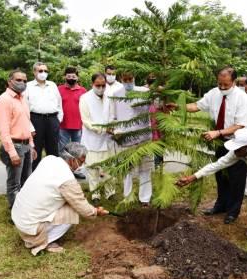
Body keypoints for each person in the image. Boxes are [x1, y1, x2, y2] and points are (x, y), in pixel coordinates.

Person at [173, 66, 247, 224]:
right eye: (219, 84)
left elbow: (240, 124)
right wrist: (177, 107)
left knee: (236, 178)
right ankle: (220, 205)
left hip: (238, 143)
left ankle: (232, 211)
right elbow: (196, 106)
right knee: (221, 175)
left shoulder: (242, 98)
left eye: (226, 85)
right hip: (219, 141)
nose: (222, 88)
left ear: (234, 82)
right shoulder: (214, 93)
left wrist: (219, 132)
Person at [11, 142, 108, 255]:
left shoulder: (49, 160)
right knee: (73, 210)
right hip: (30, 226)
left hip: (19, 218)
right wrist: (96, 211)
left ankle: (37, 233)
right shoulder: (67, 180)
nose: (82, 165)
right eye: (81, 162)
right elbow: (83, 209)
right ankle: (45, 241)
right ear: (72, 160)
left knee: (68, 202)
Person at [0, 69, 37, 208]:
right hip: (14, 146)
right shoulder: (4, 100)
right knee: (14, 184)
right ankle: (15, 212)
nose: (22, 83)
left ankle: (24, 210)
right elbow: (3, 131)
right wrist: (12, 153)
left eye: (25, 80)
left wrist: (31, 145)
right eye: (18, 80)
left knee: (27, 181)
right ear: (9, 81)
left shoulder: (23, 99)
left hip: (25, 146)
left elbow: (26, 123)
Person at [113, 71, 153, 205]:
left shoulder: (144, 92)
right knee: (127, 171)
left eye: (130, 79)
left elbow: (153, 109)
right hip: (126, 139)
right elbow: (114, 117)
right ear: (121, 79)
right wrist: (116, 131)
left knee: (145, 169)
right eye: (125, 79)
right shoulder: (116, 95)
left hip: (144, 138)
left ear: (134, 78)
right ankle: (128, 197)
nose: (128, 82)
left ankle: (145, 198)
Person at [80, 73, 116, 201]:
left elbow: (112, 115)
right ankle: (95, 194)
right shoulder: (84, 98)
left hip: (108, 139)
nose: (101, 88)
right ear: (92, 84)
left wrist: (111, 127)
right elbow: (86, 121)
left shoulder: (109, 96)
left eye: (103, 85)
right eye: (98, 85)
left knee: (109, 168)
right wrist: (102, 129)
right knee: (92, 168)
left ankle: (110, 192)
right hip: (92, 140)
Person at [25, 62, 63, 170]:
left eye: (45, 71)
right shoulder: (28, 86)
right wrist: (30, 126)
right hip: (36, 120)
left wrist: (58, 119)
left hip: (52, 120)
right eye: (40, 71)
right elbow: (24, 107)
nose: (43, 73)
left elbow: (59, 104)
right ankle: (34, 174)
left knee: (53, 150)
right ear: (34, 72)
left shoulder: (52, 85)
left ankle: (52, 174)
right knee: (36, 148)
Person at [58, 66, 86, 150]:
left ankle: (76, 163)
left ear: (77, 77)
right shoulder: (58, 89)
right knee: (62, 150)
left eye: (73, 77)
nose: (71, 78)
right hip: (63, 125)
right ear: (65, 77)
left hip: (78, 125)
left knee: (77, 151)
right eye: (69, 76)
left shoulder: (83, 91)